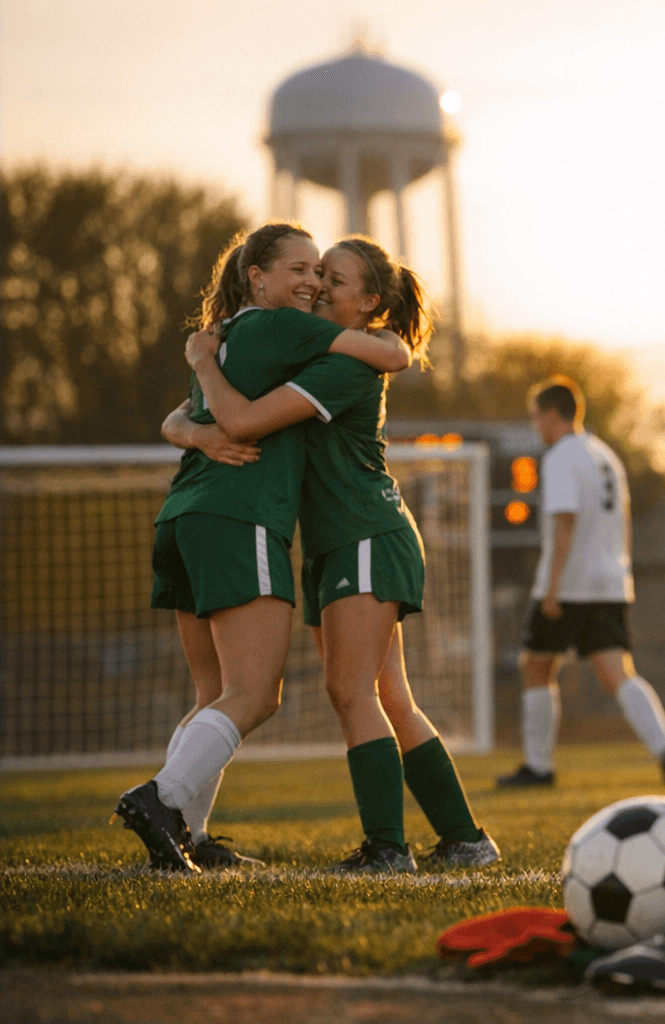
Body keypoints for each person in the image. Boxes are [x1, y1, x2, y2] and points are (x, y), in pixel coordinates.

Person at [180, 235, 499, 873]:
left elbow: (241, 420)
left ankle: (386, 847)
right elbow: (195, 415)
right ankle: (465, 841)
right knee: (388, 697)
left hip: (365, 534)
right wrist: (185, 424)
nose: (320, 285)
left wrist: (203, 363)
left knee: (352, 692)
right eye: (317, 273)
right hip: (341, 543)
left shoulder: (344, 364)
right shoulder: (311, 351)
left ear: (369, 302)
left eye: (336, 279)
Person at [121, 223, 410, 872]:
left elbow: (176, 420)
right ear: (257, 276)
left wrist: (198, 398)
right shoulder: (287, 330)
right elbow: (392, 357)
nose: (311, 283)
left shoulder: (222, 341)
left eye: (320, 273)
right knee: (256, 694)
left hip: (183, 519)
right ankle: (162, 799)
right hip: (239, 518)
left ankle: (185, 839)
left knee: (213, 692)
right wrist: (389, 333)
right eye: (299, 270)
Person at [497, 377, 665, 788]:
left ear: (553, 415)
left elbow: (564, 523)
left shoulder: (561, 457)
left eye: (537, 418)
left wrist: (551, 589)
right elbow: (623, 523)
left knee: (535, 667)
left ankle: (538, 767)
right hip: (609, 581)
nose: (536, 426)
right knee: (617, 672)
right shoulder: (606, 455)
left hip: (569, 584)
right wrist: (623, 574)